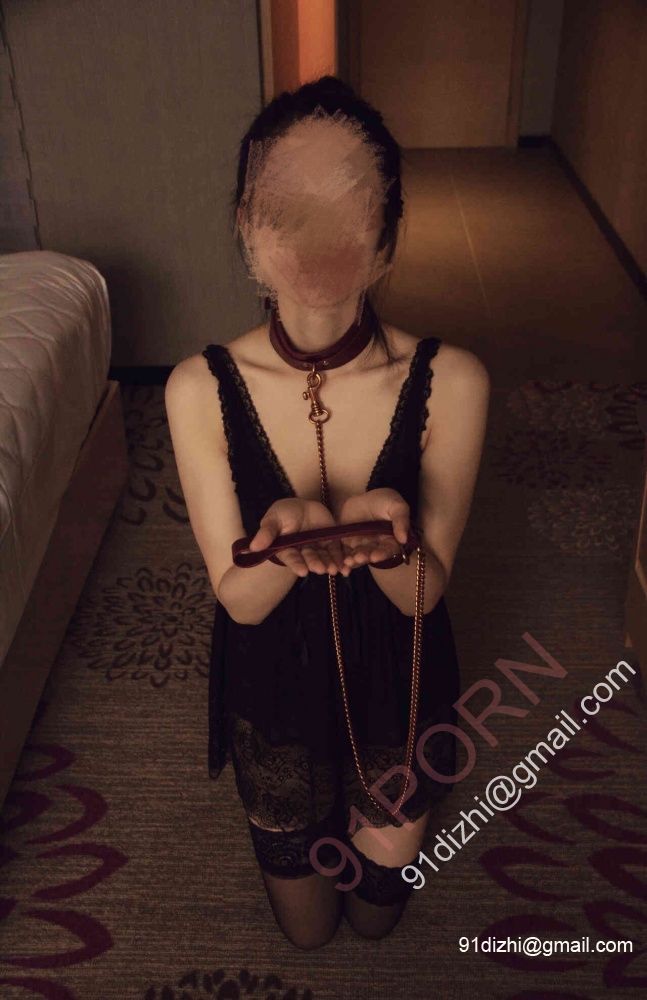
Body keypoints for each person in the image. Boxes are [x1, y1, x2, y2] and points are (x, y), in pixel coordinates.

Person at [165, 76, 490, 949]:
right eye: (286, 211)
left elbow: (421, 595)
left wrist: (389, 537)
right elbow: (240, 601)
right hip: (272, 679)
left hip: (399, 678)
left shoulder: (452, 380)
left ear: (387, 236)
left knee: (378, 916)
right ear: (245, 226)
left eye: (345, 209)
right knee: (307, 932)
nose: (314, 240)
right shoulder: (197, 387)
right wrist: (283, 544)